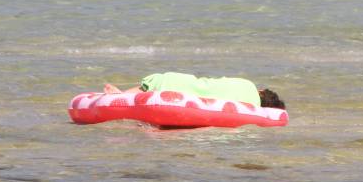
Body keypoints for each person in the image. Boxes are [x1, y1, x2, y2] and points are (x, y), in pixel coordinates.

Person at [104, 71, 286, 109]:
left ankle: (122, 96)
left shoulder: (247, 83)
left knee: (151, 86)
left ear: (261, 91)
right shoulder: (250, 108)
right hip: (182, 101)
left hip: (176, 83)